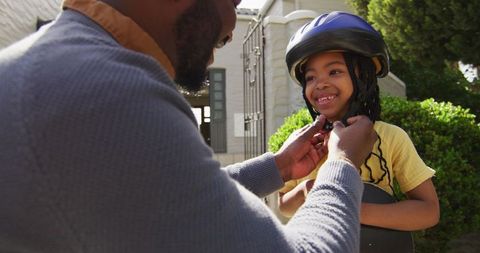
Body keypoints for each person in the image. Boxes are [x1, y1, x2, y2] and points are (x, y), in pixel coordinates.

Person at [0, 1, 378, 252]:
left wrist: (277, 167)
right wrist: (341, 163)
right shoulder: (109, 93)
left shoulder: (60, 64)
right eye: (231, 2)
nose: (230, 28)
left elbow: (157, 200)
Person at [279, 11, 440, 232]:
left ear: (364, 77)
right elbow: (284, 207)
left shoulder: (390, 137)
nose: (320, 83)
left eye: (334, 71)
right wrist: (307, 189)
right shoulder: (302, 142)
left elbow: (428, 210)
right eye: (310, 77)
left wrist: (349, 210)